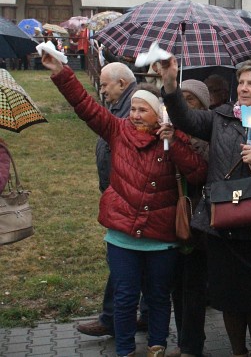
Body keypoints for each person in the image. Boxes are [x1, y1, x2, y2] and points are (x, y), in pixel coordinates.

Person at [40, 54, 208, 357]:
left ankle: (157, 347)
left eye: (143, 110)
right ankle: (125, 351)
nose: (135, 115)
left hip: (161, 239)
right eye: (133, 109)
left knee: (158, 298)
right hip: (121, 236)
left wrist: (176, 142)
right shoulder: (117, 131)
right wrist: (62, 72)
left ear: (159, 115)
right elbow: (85, 107)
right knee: (125, 297)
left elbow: (197, 172)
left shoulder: (171, 139)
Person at [161, 57, 251, 357]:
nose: (244, 88)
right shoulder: (220, 118)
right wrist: (171, 86)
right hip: (222, 223)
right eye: (241, 82)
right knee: (229, 298)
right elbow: (185, 118)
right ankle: (238, 352)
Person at [78, 62, 149, 338]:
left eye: (106, 84)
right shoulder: (120, 105)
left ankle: (113, 318)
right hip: (118, 195)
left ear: (122, 83)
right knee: (129, 259)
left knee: (121, 258)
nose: (103, 90)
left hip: (129, 199)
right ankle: (142, 314)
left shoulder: (135, 107)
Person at [168, 79, 210, 357]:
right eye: (179, 99)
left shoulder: (206, 138)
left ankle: (192, 346)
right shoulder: (165, 132)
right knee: (176, 287)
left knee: (193, 286)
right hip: (170, 219)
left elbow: (198, 173)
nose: (183, 105)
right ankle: (184, 340)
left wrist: (177, 142)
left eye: (190, 100)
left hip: (197, 218)